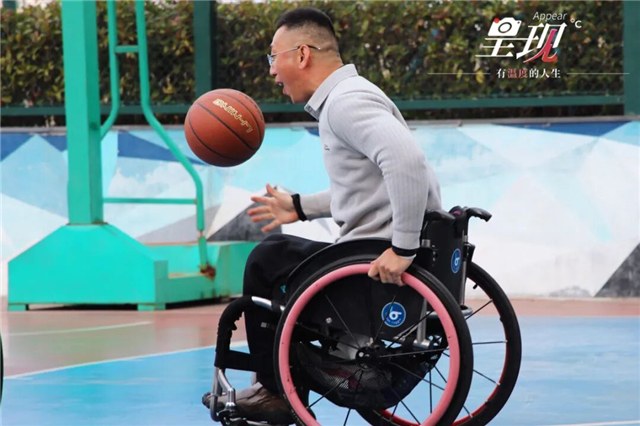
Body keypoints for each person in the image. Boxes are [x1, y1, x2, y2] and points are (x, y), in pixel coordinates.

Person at [203, 7, 442, 424]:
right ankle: (283, 380)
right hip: (374, 248)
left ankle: (274, 390)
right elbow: (368, 190)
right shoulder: (350, 96)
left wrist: (403, 248)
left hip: (371, 257)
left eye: (273, 56)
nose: (271, 70)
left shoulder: (345, 103)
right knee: (281, 255)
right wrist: (299, 207)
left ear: (302, 55)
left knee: (266, 259)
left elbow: (407, 163)